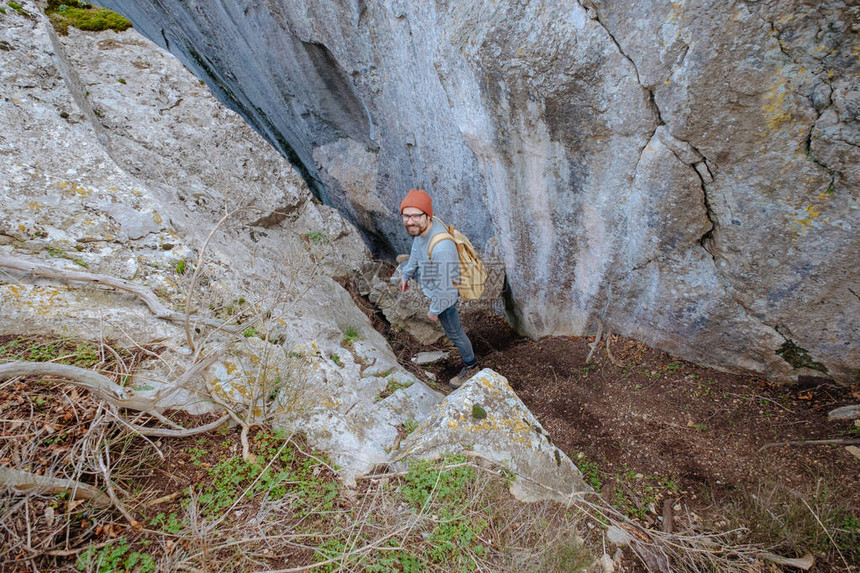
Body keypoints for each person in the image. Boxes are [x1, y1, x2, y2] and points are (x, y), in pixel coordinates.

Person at [397, 189, 480, 388]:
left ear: (428, 215)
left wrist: (435, 310)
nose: (410, 221)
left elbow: (447, 291)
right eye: (406, 216)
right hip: (432, 276)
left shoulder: (442, 248)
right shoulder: (422, 230)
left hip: (444, 295)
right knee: (402, 266)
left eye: (416, 216)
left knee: (455, 333)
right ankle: (406, 269)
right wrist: (407, 274)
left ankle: (471, 367)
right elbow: (417, 250)